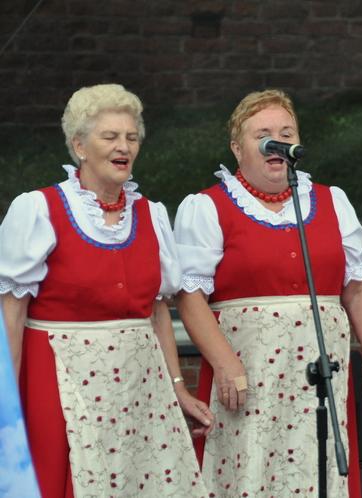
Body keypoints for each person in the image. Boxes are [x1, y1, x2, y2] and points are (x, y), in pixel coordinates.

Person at [174, 88, 362, 498]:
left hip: (319, 372)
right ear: (237, 147)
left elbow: (357, 289)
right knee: (248, 469)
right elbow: (190, 297)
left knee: (318, 464)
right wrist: (225, 363)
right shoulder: (208, 207)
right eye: (263, 135)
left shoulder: (331, 201)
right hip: (248, 372)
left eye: (286, 133)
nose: (276, 142)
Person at [0, 84, 212, 498]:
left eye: (131, 137)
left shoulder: (151, 215)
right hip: (61, 383)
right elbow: (12, 313)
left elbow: (157, 313)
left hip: (139, 390)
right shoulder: (39, 209)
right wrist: (7, 406)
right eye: (110, 136)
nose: (124, 147)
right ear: (79, 146)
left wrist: (176, 387)